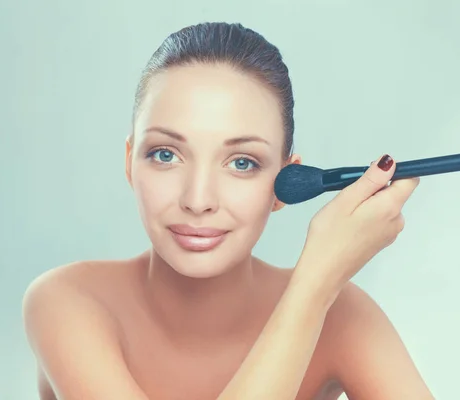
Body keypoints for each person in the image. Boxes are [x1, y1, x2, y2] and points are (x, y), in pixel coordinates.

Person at [22, 22, 434, 400]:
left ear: (285, 184)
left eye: (242, 163)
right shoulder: (66, 301)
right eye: (166, 154)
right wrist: (312, 289)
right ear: (130, 161)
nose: (198, 199)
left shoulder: (344, 314)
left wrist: (321, 288)